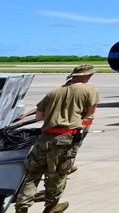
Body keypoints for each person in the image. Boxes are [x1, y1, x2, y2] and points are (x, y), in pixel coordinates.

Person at [14, 63, 100, 213]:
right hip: (64, 139)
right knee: (58, 175)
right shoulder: (89, 90)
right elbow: (90, 113)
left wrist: (56, 116)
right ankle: (51, 207)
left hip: (44, 138)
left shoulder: (54, 92)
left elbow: (39, 116)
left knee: (32, 175)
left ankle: (22, 207)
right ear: (87, 75)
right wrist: (76, 122)